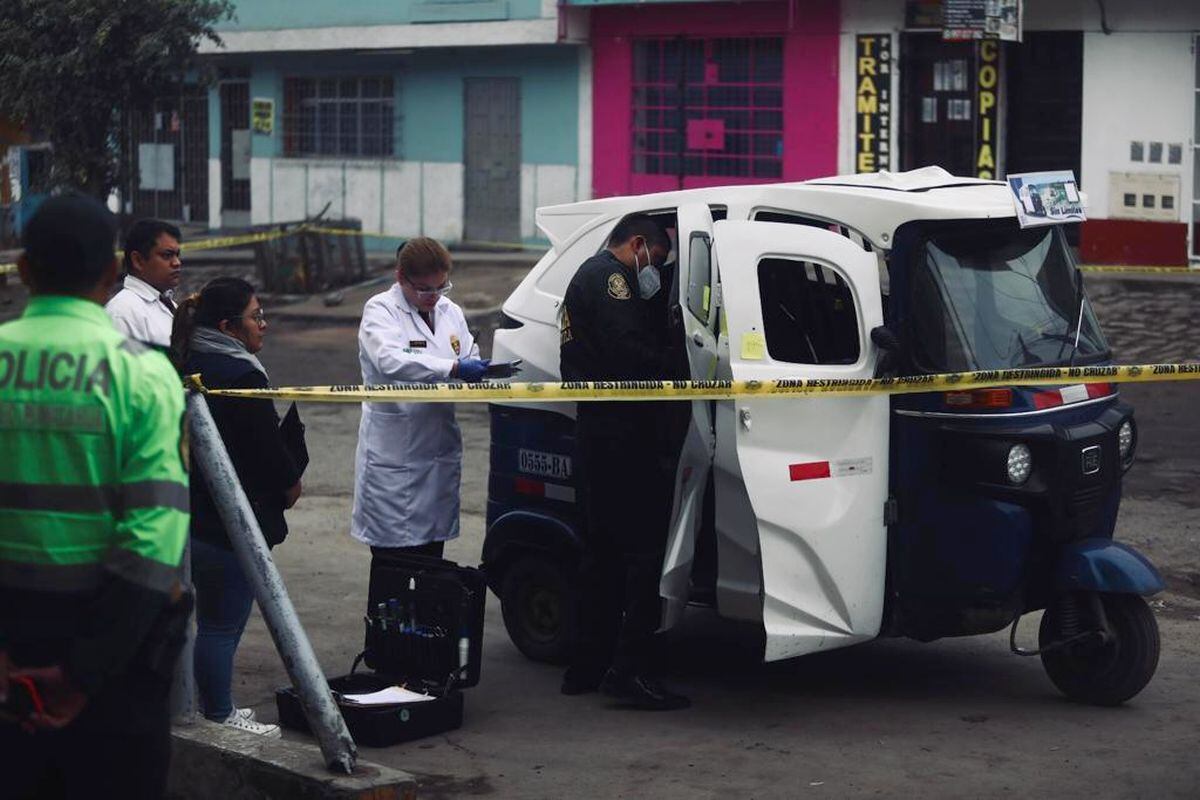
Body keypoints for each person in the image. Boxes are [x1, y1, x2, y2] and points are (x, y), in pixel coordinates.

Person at [0, 194, 191, 798]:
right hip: (117, 661)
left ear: (24, 272)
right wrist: (83, 675)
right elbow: (154, 540)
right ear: (112, 273)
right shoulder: (143, 374)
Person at [559, 213, 691, 711]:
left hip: (599, 432)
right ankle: (631, 671)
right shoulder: (610, 278)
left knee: (601, 554)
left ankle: (586, 666)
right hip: (623, 436)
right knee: (641, 553)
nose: (652, 269)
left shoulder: (588, 274)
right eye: (655, 259)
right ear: (637, 244)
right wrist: (683, 364)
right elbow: (628, 350)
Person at [170, 277, 303, 737]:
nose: (263, 325)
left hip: (187, 512)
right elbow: (264, 453)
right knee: (221, 626)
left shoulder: (187, 360)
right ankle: (220, 715)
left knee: (203, 624)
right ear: (228, 326)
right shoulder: (242, 375)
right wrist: (289, 483)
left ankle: (200, 708)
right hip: (230, 521)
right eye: (256, 317)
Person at [351, 238, 488, 586]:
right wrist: (452, 369)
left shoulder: (450, 311)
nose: (434, 296)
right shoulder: (380, 310)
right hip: (394, 458)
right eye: (424, 289)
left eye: (441, 286)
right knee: (393, 571)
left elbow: (467, 352)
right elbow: (391, 359)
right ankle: (386, 641)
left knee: (432, 567)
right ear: (401, 278)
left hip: (437, 450)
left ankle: (426, 640)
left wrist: (478, 370)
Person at [105, 218, 183, 348]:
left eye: (177, 255)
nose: (177, 263)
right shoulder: (123, 312)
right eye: (167, 255)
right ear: (138, 261)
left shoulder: (168, 303)